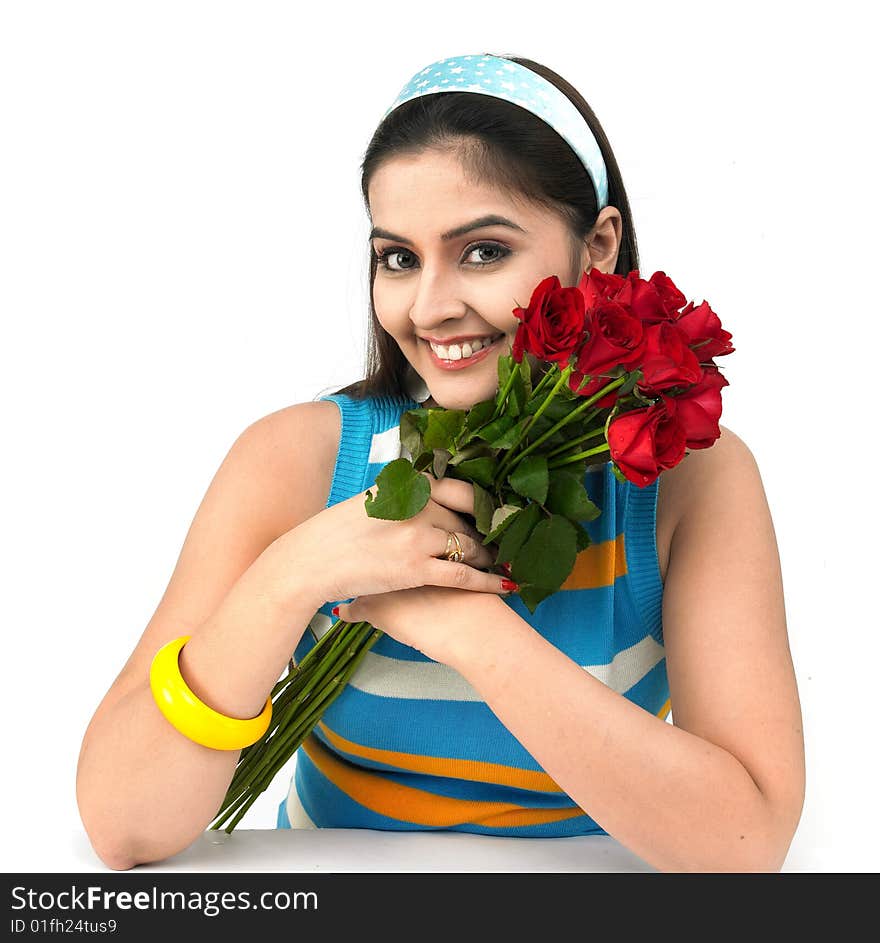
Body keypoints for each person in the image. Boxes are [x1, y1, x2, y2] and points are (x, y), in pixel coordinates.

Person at [75, 52, 805, 873]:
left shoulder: (691, 482)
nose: (428, 307)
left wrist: (473, 634)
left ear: (598, 247)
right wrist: (289, 575)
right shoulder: (294, 461)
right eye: (398, 257)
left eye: (484, 251)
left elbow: (748, 844)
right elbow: (122, 825)